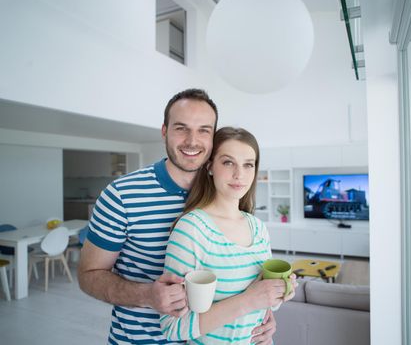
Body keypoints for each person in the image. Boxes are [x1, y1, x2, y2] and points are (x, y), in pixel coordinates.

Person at [78, 89, 277, 345]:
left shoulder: (228, 196)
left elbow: (238, 278)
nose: (192, 141)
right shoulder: (122, 195)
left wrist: (260, 316)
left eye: (204, 130)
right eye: (181, 128)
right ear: (164, 131)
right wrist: (148, 295)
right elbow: (89, 275)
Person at [160, 127, 297, 344]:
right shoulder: (192, 229)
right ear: (210, 166)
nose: (239, 174)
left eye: (248, 164)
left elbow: (265, 304)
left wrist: (278, 293)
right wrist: (249, 300)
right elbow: (172, 327)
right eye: (228, 162)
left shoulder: (258, 228)